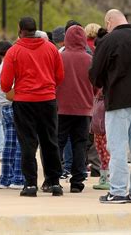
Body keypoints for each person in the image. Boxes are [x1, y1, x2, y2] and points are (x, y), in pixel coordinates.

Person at [89, 9, 131, 204]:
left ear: (109, 22)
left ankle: (117, 191)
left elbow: (96, 73)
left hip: (119, 100)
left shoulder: (109, 41)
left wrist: (102, 84)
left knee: (117, 147)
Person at [0, 16, 65, 197]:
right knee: (50, 141)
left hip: (24, 102)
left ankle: (30, 184)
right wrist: (48, 86)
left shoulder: (14, 51)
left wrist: (14, 89)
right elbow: (60, 75)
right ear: (36, 30)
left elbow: (5, 83)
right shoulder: (51, 48)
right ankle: (54, 182)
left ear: (20, 31)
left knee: (28, 143)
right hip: (47, 100)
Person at [56, 25, 94, 193]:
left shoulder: (60, 57)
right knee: (80, 144)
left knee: (58, 143)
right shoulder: (89, 59)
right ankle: (78, 181)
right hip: (83, 109)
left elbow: (53, 80)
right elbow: (97, 83)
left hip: (61, 108)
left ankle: (54, 177)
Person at [0, 40, 25, 190]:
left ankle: (5, 178)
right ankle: (18, 177)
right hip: (13, 104)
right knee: (19, 143)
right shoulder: (7, 65)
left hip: (3, 106)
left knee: (8, 143)